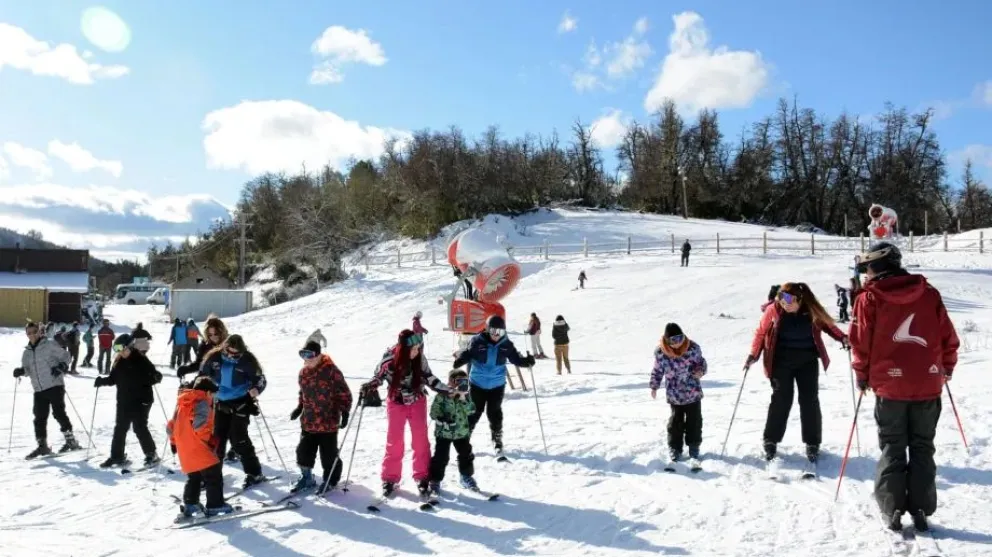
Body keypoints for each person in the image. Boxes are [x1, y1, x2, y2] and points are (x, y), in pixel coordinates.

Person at [849, 242, 959, 532]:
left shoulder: (869, 298)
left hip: (890, 387)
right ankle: (921, 507)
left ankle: (893, 508)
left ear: (878, 266)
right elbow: (948, 335)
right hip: (927, 382)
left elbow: (860, 341)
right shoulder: (929, 293)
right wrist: (946, 367)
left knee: (893, 447)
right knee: (923, 446)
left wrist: (861, 374)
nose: (866, 273)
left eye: (867, 267)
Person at [745, 282, 849, 463]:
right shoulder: (774, 309)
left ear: (800, 299)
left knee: (809, 400)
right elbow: (761, 333)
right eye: (781, 297)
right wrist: (753, 354)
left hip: (807, 361)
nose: (784, 303)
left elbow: (829, 326)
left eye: (789, 299)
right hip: (780, 361)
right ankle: (771, 440)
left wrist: (843, 338)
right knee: (781, 399)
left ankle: (812, 442)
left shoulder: (811, 310)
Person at [362, 329, 452, 498]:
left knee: (420, 440)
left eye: (418, 348)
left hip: (417, 401)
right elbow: (378, 376)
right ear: (404, 348)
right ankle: (390, 478)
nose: (417, 351)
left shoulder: (419, 358)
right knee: (394, 440)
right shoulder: (389, 360)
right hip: (396, 402)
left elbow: (428, 377)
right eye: (414, 349)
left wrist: (446, 390)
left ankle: (422, 476)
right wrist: (371, 385)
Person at [452, 315, 534, 457]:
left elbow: (515, 359)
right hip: (477, 384)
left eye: (500, 332)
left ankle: (497, 441)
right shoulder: (477, 341)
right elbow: (468, 353)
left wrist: (527, 361)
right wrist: (460, 360)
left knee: (494, 413)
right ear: (488, 329)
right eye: (494, 331)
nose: (497, 335)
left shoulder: (506, 344)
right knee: (474, 412)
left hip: (497, 385)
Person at [198, 334, 268, 488]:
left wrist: (257, 389)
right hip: (219, 401)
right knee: (217, 440)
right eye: (228, 352)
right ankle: (212, 476)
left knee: (239, 438)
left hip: (241, 402)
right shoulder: (214, 357)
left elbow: (260, 379)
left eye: (235, 354)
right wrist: (199, 388)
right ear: (224, 347)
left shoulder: (248, 360)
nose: (230, 355)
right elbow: (202, 375)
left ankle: (254, 473)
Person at [289, 340, 352, 494]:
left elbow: (344, 392)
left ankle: (330, 480)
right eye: (303, 354)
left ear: (318, 355)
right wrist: (299, 408)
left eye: (310, 355)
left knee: (329, 455)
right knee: (303, 452)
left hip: (328, 421)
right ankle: (307, 478)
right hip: (309, 420)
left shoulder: (331, 371)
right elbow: (302, 393)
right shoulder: (303, 373)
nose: (306, 358)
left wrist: (344, 411)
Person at [167, 375, 234, 518]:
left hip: (184, 447)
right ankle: (215, 505)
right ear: (208, 392)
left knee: (194, 475)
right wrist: (209, 440)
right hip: (198, 446)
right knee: (213, 474)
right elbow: (200, 425)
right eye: (213, 393)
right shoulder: (202, 402)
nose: (214, 397)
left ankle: (191, 504)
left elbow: (171, 426)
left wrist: (173, 442)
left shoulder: (183, 401)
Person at [13, 321, 82, 458]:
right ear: (26, 334)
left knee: (58, 413)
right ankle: (42, 446)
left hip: (54, 384)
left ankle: (71, 441)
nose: (32, 335)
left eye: (34, 332)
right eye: (29, 333)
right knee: (39, 417)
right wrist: (21, 371)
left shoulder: (49, 345)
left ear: (40, 332)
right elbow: (28, 370)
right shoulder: (26, 353)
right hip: (38, 388)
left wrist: (61, 366)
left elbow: (66, 356)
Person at [93, 334, 164, 468]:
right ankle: (117, 456)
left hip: (141, 400)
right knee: (120, 428)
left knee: (139, 427)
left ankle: (151, 454)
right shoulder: (119, 362)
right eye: (118, 350)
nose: (120, 352)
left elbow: (153, 375)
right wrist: (102, 381)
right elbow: (113, 379)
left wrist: (156, 377)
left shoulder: (141, 360)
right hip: (124, 400)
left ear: (130, 346)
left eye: (123, 349)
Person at [650, 323, 707, 464]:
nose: (678, 343)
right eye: (674, 340)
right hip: (674, 395)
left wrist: (700, 371)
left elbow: (701, 363)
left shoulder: (692, 348)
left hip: (692, 392)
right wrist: (654, 386)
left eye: (680, 338)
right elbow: (657, 371)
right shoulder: (661, 354)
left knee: (695, 421)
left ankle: (694, 446)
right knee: (676, 423)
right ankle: (675, 448)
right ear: (667, 340)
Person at [428, 368, 477, 495]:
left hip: (461, 433)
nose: (461, 384)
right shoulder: (441, 395)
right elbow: (433, 412)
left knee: (466, 454)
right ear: (450, 382)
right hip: (444, 433)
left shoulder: (466, 395)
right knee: (441, 456)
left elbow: (471, 410)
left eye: (464, 381)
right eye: (458, 381)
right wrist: (441, 417)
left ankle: (466, 476)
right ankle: (435, 480)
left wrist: (463, 398)